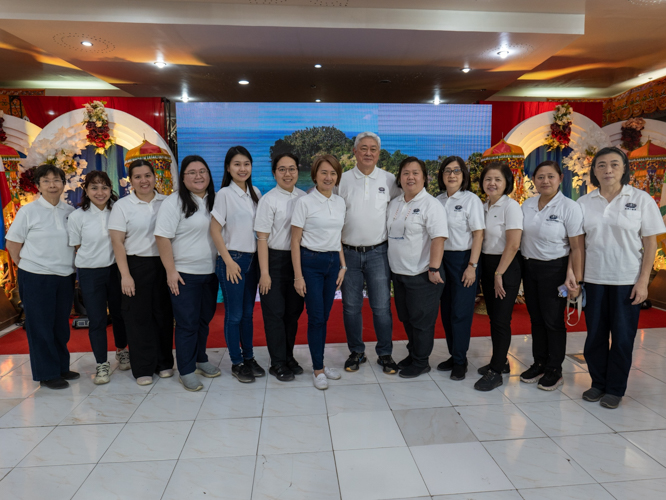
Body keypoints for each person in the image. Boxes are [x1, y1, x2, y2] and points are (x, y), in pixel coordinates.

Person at [573, 147, 665, 409]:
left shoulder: (641, 199)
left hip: (627, 280)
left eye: (614, 164)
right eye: (601, 165)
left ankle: (615, 389)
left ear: (625, 168)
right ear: (594, 170)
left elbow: (650, 245)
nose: (608, 170)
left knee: (623, 338)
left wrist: (643, 281)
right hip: (594, 279)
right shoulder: (584, 203)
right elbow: (577, 246)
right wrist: (576, 279)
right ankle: (598, 383)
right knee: (595, 337)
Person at [6, 164, 78, 390]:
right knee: (40, 326)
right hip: (36, 277)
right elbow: (12, 244)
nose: (52, 185)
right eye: (46, 181)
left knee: (60, 326)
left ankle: (61, 367)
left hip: (64, 276)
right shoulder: (28, 211)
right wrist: (28, 267)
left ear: (63, 184)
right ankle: (47, 373)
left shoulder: (70, 212)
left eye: (56, 180)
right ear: (38, 186)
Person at [155, 155, 220, 392]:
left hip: (210, 272)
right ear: (183, 177)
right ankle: (185, 370)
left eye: (202, 171)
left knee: (204, 320)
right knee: (187, 324)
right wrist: (171, 271)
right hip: (184, 274)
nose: (198, 176)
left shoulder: (216, 200)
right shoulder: (174, 202)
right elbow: (162, 237)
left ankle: (200, 358)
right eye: (191, 172)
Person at [338, 132, 401, 374]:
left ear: (378, 153)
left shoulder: (389, 180)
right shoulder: (342, 180)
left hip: (378, 253)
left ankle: (385, 354)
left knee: (381, 307)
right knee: (351, 307)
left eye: (373, 149)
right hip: (349, 254)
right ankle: (356, 352)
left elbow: (400, 206)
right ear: (354, 152)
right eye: (363, 148)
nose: (368, 153)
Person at [520, 160, 584, 391]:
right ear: (534, 180)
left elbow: (577, 247)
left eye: (550, 177)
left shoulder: (569, 207)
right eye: (540, 177)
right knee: (536, 319)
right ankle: (539, 362)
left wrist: (576, 277)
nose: (545, 181)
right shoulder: (526, 205)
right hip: (530, 268)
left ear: (560, 179)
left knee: (553, 321)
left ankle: (555, 369)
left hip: (555, 270)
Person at [109, 159, 173, 386]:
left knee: (164, 316)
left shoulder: (168, 202)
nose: (144, 180)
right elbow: (117, 242)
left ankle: (164, 362)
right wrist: (125, 275)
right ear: (130, 181)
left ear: (155, 177)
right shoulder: (122, 206)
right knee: (138, 319)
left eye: (147, 175)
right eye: (138, 177)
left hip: (164, 265)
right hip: (134, 266)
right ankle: (143, 367)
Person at [387, 157, 448, 379]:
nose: (410, 177)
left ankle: (422, 362)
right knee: (407, 317)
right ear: (400, 177)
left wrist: (433, 268)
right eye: (405, 173)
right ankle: (413, 354)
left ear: (424, 177)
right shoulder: (395, 203)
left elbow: (438, 238)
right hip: (399, 273)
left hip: (423, 274)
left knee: (422, 321)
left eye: (415, 173)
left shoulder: (431, 205)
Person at [291, 154, 347, 390]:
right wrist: (298, 276)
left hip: (333, 263)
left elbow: (339, 238)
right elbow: (295, 242)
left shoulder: (340, 202)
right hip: (311, 263)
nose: (328, 177)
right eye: (324, 172)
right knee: (315, 318)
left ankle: (321, 363)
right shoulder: (304, 202)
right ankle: (317, 370)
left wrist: (343, 265)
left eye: (333, 173)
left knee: (324, 317)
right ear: (315, 175)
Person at [68, 171, 128, 385]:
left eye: (104, 187)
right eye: (94, 187)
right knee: (97, 319)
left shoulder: (118, 211)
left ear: (110, 189)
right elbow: (77, 246)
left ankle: (122, 351)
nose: (100, 192)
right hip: (90, 273)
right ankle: (102, 363)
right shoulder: (77, 216)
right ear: (86, 190)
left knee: (120, 314)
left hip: (116, 270)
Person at [211, 146, 264, 384]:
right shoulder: (224, 194)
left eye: (246, 164)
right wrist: (229, 261)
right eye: (237, 164)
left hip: (252, 261)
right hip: (232, 260)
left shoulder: (256, 192)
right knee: (234, 315)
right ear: (228, 168)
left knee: (248, 315)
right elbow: (214, 229)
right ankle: (236, 361)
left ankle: (249, 357)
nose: (242, 169)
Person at [255, 153, 307, 382]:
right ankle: (277, 362)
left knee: (292, 313)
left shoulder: (304, 197)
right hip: (273, 262)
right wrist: (264, 273)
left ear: (298, 171)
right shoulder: (269, 200)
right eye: (282, 169)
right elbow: (262, 239)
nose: (288, 174)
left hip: (298, 262)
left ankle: (288, 356)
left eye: (292, 169)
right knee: (275, 314)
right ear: (274, 172)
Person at [435, 156, 485, 381]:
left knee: (460, 312)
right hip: (441, 260)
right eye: (447, 171)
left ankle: (460, 361)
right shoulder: (436, 200)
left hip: (463, 260)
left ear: (464, 175)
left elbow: (478, 234)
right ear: (441, 175)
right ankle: (453, 354)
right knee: (446, 312)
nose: (452, 175)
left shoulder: (471, 200)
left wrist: (472, 266)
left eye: (456, 171)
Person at [475, 162, 523, 391]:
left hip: (505, 266)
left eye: (498, 180)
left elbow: (513, 244)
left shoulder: (510, 207)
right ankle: (500, 361)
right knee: (494, 318)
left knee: (502, 319)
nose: (492, 183)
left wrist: (499, 273)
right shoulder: (483, 206)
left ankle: (496, 373)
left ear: (507, 183)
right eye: (488, 179)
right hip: (487, 264)